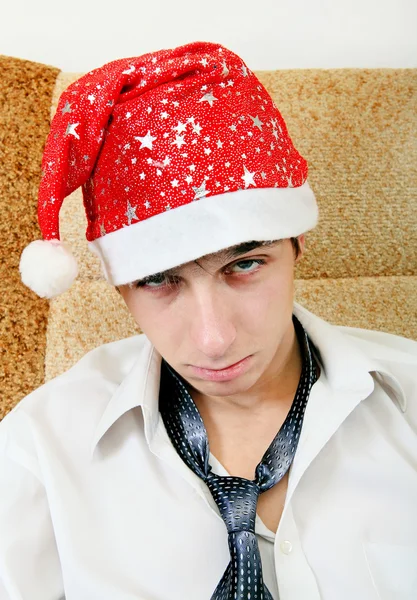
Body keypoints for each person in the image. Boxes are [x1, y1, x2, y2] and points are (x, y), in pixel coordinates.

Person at [1, 40, 416, 600]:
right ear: (120, 286)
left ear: (296, 245)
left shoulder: (407, 398)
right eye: (158, 280)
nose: (213, 338)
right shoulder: (41, 448)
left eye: (244, 265)